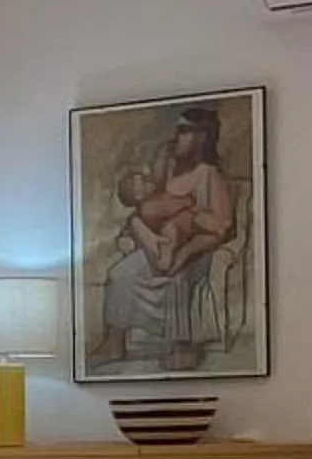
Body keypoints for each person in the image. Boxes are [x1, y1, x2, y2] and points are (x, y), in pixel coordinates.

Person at [93, 107, 237, 369]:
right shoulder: (167, 166)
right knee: (120, 273)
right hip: (158, 244)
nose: (176, 137)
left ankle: (181, 345)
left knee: (178, 276)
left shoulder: (209, 176)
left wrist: (190, 215)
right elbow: (147, 200)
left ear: (201, 137)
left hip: (196, 247)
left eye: (183, 131)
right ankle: (114, 342)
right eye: (177, 130)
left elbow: (222, 225)